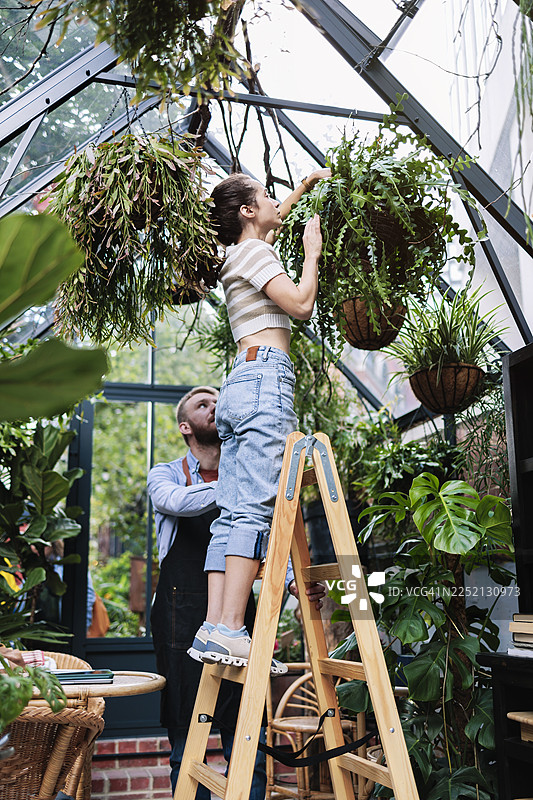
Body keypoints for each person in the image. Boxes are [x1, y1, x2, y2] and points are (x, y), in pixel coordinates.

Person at [191, 168, 330, 669]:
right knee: (253, 510)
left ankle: (213, 626)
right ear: (248, 211)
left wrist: (303, 189)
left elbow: (272, 220)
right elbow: (300, 305)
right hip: (265, 381)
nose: (276, 204)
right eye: (265, 196)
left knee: (230, 514)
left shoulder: (240, 252)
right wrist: (311, 253)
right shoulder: (257, 253)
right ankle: (231, 628)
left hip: (239, 385)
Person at [148, 386, 266, 798]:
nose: (214, 407)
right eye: (204, 404)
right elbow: (174, 501)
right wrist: (239, 488)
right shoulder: (164, 473)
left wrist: (289, 579)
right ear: (185, 426)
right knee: (185, 737)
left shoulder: (247, 479)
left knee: (247, 737)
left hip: (236, 616)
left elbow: (262, 538)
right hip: (180, 614)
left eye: (219, 402)